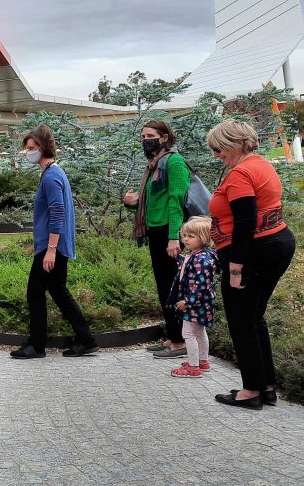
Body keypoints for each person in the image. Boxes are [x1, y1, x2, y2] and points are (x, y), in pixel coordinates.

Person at [206, 120, 296, 409]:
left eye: (218, 148)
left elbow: (244, 223)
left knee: (242, 321)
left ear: (234, 143)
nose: (216, 154)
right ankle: (265, 385)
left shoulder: (241, 173)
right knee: (254, 317)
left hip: (253, 251)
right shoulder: (261, 164)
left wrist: (235, 269)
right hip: (275, 243)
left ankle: (251, 392)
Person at [11, 126, 99, 359]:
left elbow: (58, 211)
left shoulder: (51, 176)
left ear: (43, 148)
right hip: (55, 245)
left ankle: (37, 345)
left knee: (35, 292)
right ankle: (85, 339)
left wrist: (50, 250)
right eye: (27, 148)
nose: (28, 152)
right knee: (58, 291)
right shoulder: (53, 172)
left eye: (31, 148)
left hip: (52, 246)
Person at [124, 120, 190, 359]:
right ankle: (173, 336)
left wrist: (174, 237)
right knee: (164, 287)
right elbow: (153, 204)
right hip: (156, 231)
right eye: (142, 136)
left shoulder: (174, 162)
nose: (145, 139)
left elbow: (176, 203)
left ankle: (181, 341)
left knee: (174, 287)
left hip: (170, 233)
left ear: (164, 137)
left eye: (150, 135)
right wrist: (133, 205)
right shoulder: (154, 165)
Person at [165, 217, 219, 378]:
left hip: (195, 303)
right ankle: (203, 361)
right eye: (184, 235)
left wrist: (187, 301)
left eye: (191, 236)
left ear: (203, 237)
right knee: (200, 332)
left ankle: (193, 367)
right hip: (203, 302)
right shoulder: (201, 256)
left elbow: (200, 284)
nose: (185, 239)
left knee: (188, 333)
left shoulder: (201, 259)